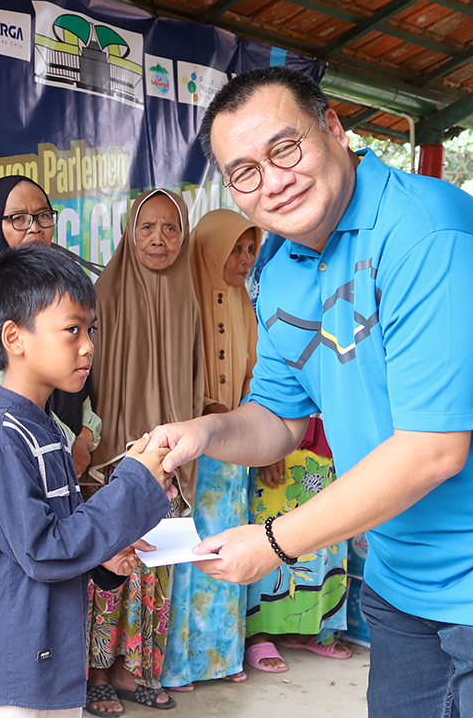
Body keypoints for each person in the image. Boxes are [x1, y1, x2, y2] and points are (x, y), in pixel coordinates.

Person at [150, 65, 473, 717]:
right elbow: (278, 421)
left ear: (334, 130)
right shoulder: (281, 270)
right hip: (407, 575)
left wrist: (275, 540)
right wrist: (204, 434)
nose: (273, 181)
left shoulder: (431, 234)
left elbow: (433, 451)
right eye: (245, 172)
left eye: (284, 148)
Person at [0, 243, 173, 717]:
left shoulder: (46, 427)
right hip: (9, 674)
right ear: (15, 338)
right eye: (72, 330)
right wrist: (131, 483)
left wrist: (103, 562)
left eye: (90, 329)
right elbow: (42, 551)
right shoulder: (1, 439)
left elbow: (60, 533)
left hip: (47, 662)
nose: (88, 345)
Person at [0, 175, 102, 718]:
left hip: (53, 468)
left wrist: (79, 434)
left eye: (42, 216)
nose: (33, 229)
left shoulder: (62, 300)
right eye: (17, 219)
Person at [85, 188, 205, 715]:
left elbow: (196, 375)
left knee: (157, 563)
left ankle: (139, 671)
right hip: (115, 457)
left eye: (171, 227)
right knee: (112, 561)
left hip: (173, 456)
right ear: (129, 233)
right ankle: (96, 673)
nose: (159, 239)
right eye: (147, 227)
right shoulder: (105, 292)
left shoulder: (190, 293)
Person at [161, 209, 259, 691]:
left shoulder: (247, 303)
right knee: (189, 551)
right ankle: (180, 663)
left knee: (230, 547)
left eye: (249, 249)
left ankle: (222, 656)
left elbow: (257, 378)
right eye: (234, 249)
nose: (243, 260)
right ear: (209, 249)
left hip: (236, 450)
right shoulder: (180, 299)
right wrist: (206, 408)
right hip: (192, 450)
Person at [243, 416, 350, 671]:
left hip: (331, 439)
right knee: (269, 535)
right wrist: (268, 448)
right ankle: (258, 634)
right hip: (281, 437)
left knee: (325, 537)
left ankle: (306, 630)